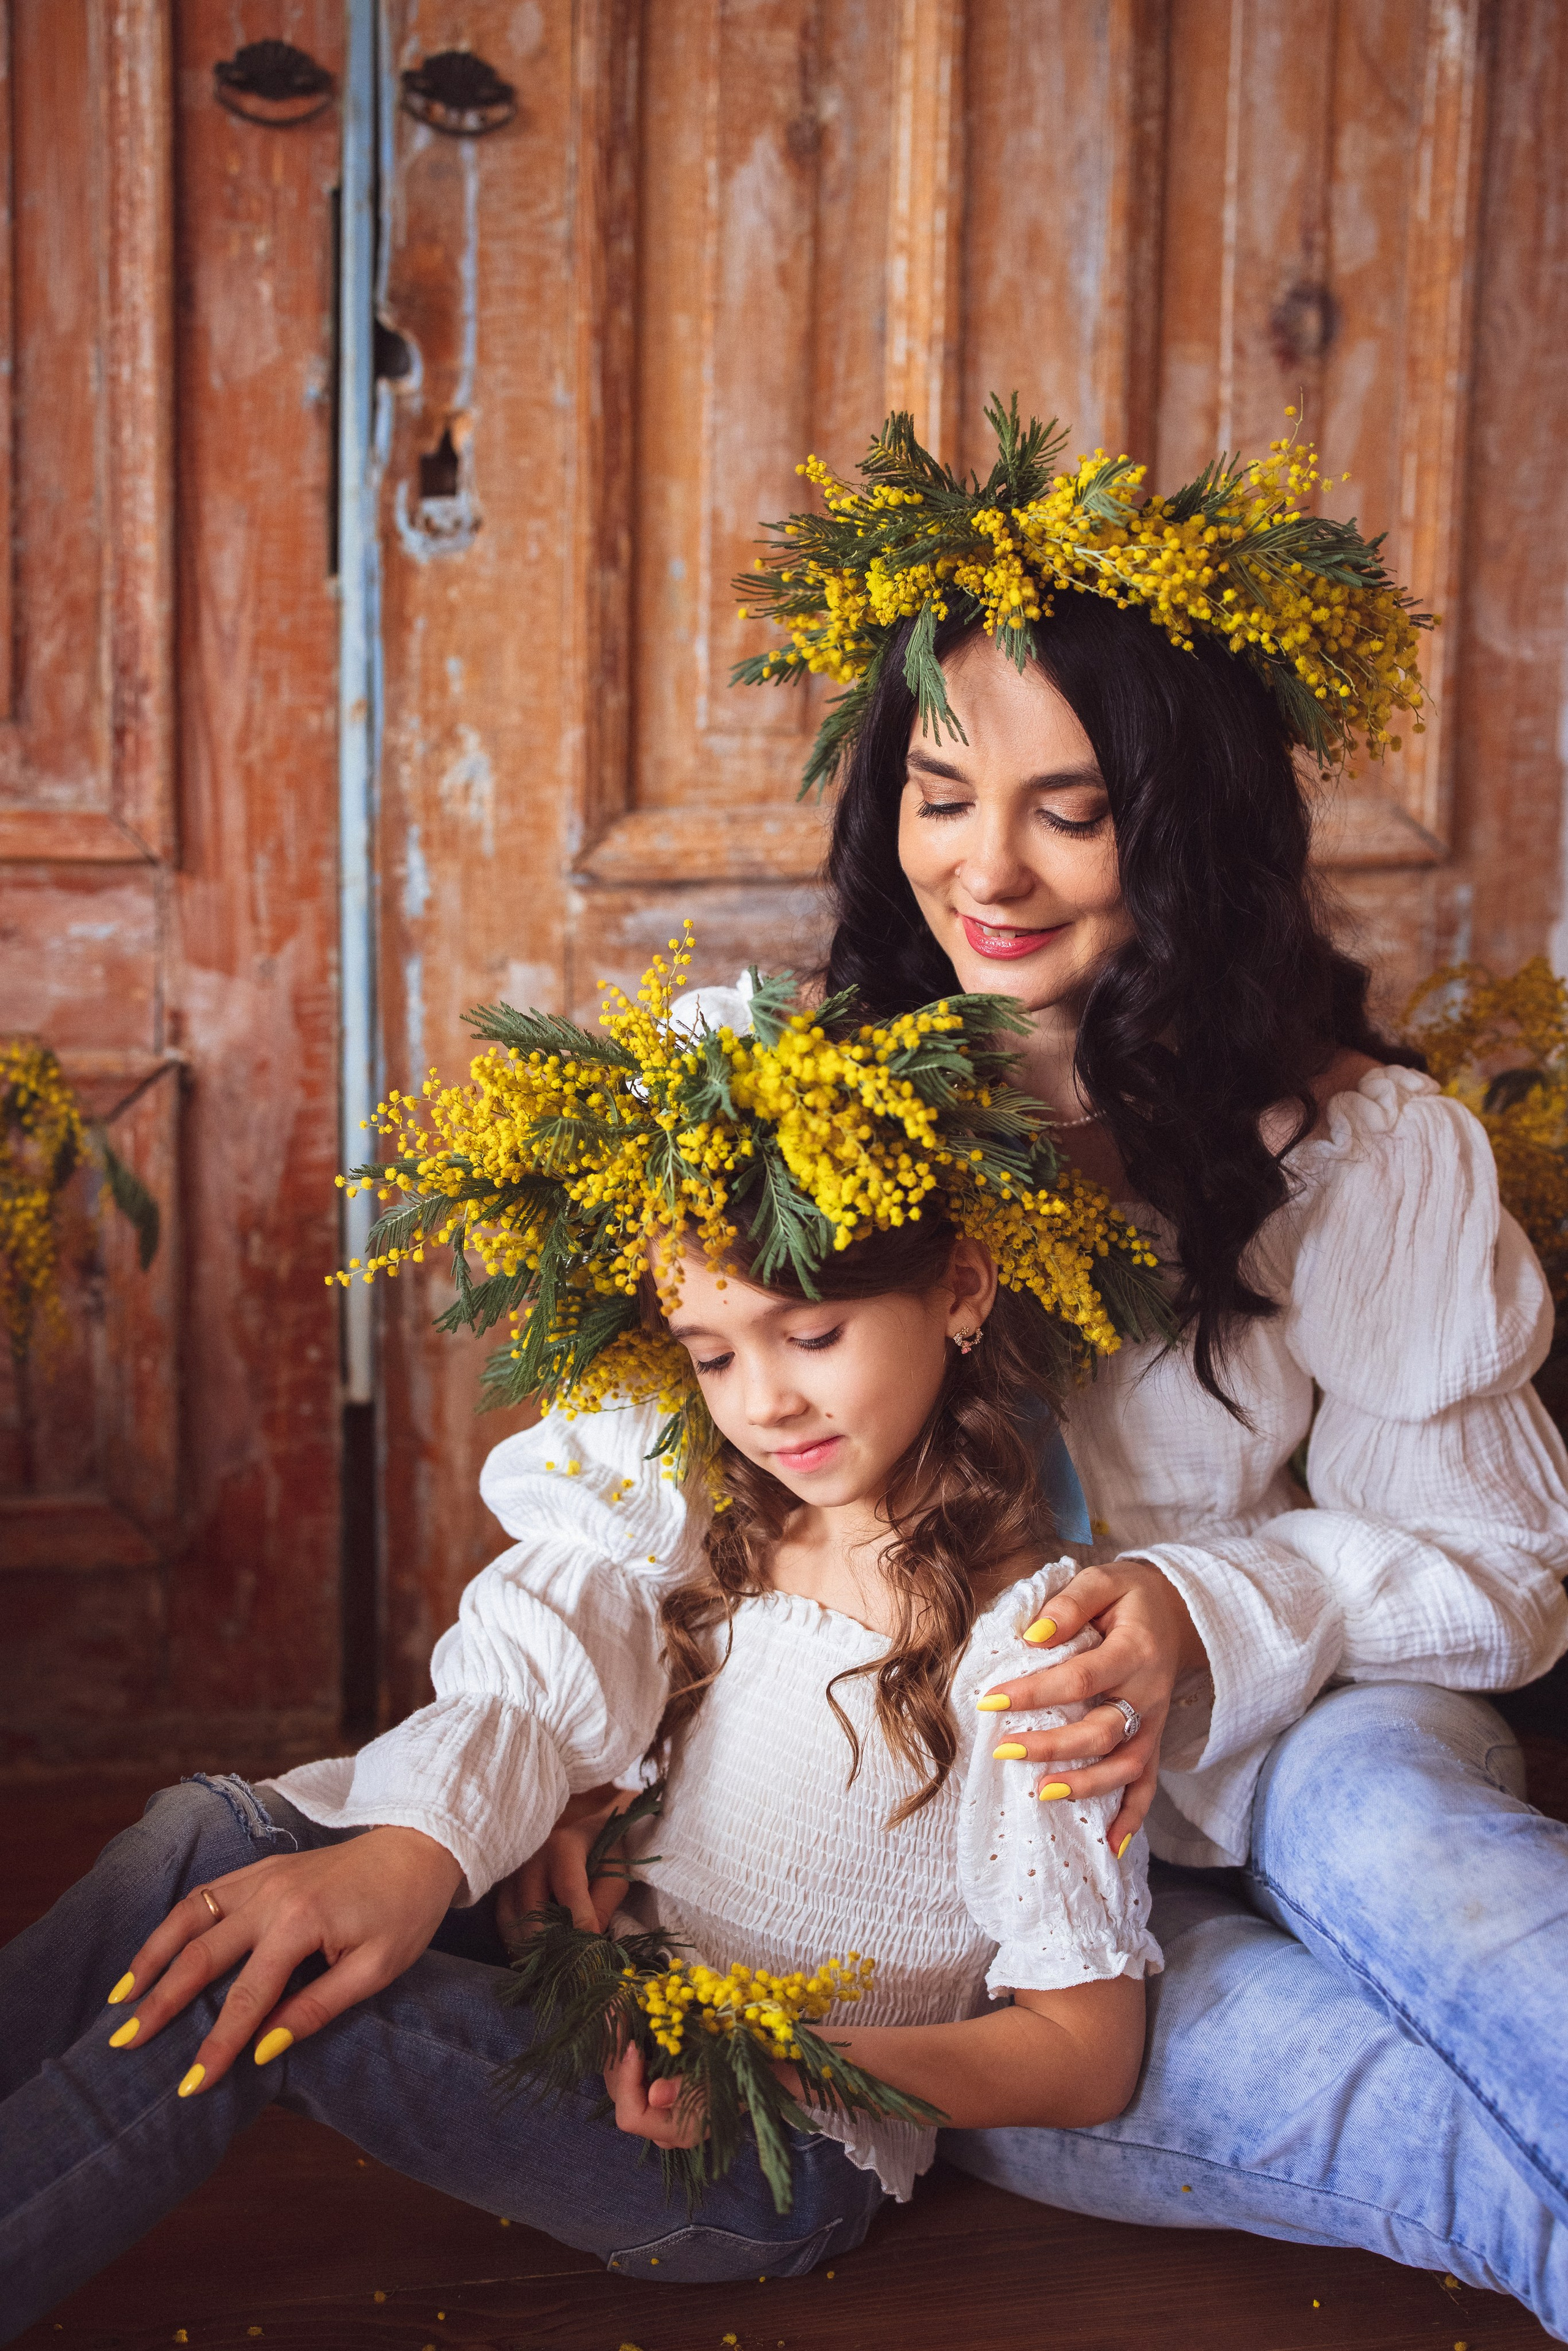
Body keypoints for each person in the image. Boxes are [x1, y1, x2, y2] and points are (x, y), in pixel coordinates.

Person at [725, 399, 1568, 2326]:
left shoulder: (1362, 1149)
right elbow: (634, 1492)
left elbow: (1507, 1573)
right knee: (1432, 2130)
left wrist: (1201, 1610)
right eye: (941, 792)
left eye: (1073, 808)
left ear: (1183, 828)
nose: (987, 868)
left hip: (1309, 1741)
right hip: (994, 1876)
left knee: (1388, 1827)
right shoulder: (795, 1105)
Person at [0, 961, 1162, 2341]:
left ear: (959, 1286)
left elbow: (1085, 2052)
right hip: (589, 1976)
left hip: (753, 2159)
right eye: (712, 1355)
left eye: (811, 1332)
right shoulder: (725, 1521)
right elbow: (670, 1746)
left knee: (276, 1991)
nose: (765, 1399)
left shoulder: (1036, 1641)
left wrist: (777, 2062)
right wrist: (588, 1812)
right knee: (203, 1836)